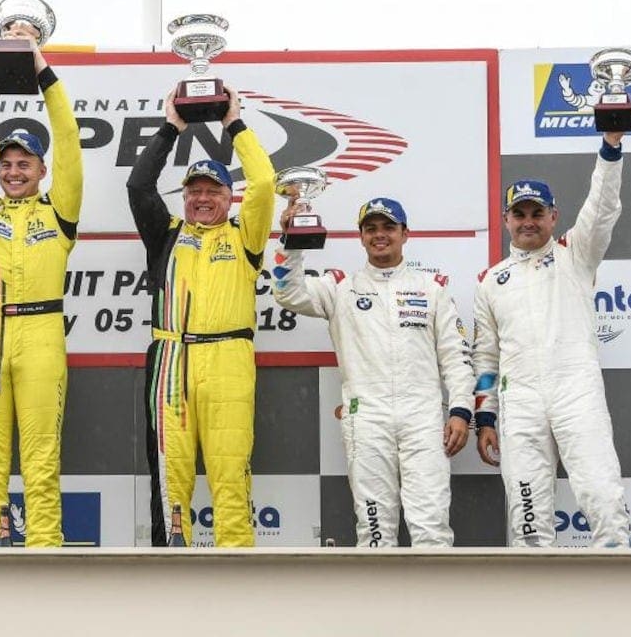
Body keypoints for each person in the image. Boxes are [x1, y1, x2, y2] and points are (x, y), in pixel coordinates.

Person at [272, 197, 473, 547]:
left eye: (388, 227)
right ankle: (381, 602)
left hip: (422, 418)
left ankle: (433, 602)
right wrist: (291, 241)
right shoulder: (340, 288)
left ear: (405, 234)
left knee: (431, 526)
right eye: (371, 229)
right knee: (375, 528)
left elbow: (456, 358)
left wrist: (460, 411)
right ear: (361, 237)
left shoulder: (432, 289)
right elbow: (287, 292)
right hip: (366, 416)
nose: (380, 235)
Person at [128, 87, 275, 548]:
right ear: (185, 197)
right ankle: (169, 583)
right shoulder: (166, 235)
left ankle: (239, 585)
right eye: (195, 192)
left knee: (230, 478)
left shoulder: (246, 236)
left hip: (229, 359)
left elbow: (266, 183)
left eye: (214, 191)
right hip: (170, 358)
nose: (204, 199)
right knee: (171, 484)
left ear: (231, 199)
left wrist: (234, 124)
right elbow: (138, 186)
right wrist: (172, 126)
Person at [472, 132, 630, 547]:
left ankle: (619, 598)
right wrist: (485, 418)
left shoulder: (576, 254)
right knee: (527, 516)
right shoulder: (491, 281)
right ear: (506, 219)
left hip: (575, 389)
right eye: (519, 213)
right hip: (519, 400)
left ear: (553, 217)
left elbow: (602, 209)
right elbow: (486, 359)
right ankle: (533, 607)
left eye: (536, 213)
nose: (527, 221)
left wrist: (610, 148)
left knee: (601, 494)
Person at [0, 23, 81, 547]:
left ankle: (45, 562)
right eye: (5, 164)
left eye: (23, 163)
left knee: (40, 464)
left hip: (42, 335)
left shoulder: (60, 209)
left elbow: (70, 142)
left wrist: (41, 72)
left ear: (41, 168)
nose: (12, 172)